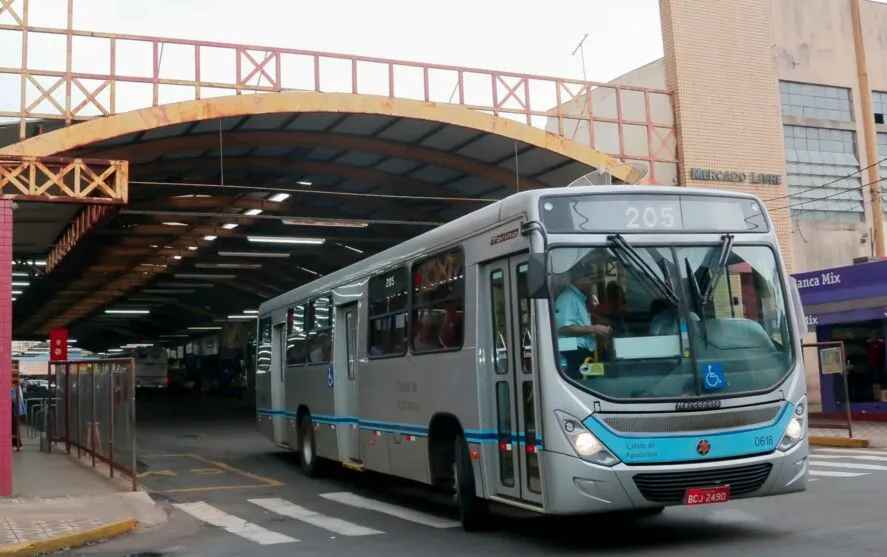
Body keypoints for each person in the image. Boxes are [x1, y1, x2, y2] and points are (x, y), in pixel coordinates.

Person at [555, 271, 611, 377]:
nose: (592, 282)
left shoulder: (579, 298)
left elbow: (579, 321)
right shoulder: (567, 298)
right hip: (573, 353)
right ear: (577, 279)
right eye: (589, 277)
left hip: (584, 351)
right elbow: (562, 328)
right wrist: (593, 329)